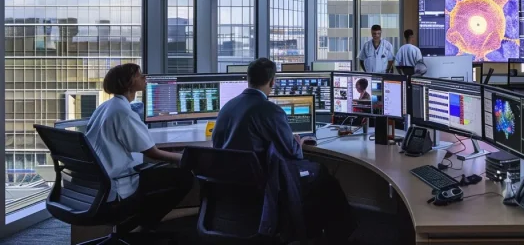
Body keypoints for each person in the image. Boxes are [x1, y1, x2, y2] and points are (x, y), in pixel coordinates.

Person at [213, 58, 356, 243]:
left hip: (231, 187)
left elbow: (218, 145)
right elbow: (294, 153)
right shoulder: (270, 110)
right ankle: (340, 236)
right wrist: (298, 141)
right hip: (265, 184)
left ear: (248, 79)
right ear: (272, 82)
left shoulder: (227, 107)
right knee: (323, 175)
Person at [84, 63, 193, 231]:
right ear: (128, 83)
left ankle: (138, 226)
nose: (144, 77)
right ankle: (141, 227)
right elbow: (153, 153)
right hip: (115, 185)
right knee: (184, 178)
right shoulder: (124, 113)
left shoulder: (106, 107)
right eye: (139, 75)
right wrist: (186, 158)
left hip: (95, 183)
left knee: (161, 173)